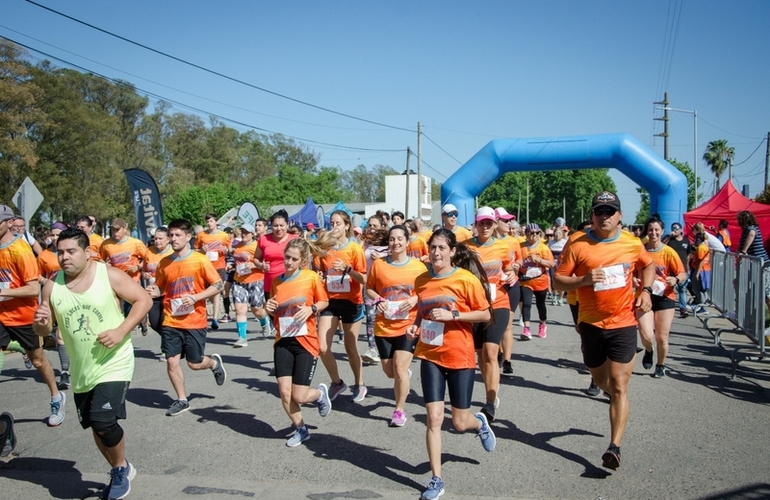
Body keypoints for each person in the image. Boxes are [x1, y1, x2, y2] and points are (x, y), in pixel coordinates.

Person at [33, 227, 152, 499]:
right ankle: (122, 467)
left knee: (103, 419)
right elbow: (44, 330)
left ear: (87, 252)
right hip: (82, 369)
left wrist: (121, 331)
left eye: (71, 251)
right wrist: (40, 323)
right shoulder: (51, 286)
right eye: (60, 252)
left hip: (114, 360)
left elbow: (143, 300)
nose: (64, 257)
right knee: (95, 425)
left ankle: (119, 470)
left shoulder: (108, 274)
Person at [554, 191, 654, 470]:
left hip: (623, 323)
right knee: (601, 381)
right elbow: (558, 282)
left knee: (619, 384)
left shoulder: (632, 243)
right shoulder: (578, 243)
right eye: (599, 211)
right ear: (592, 215)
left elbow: (648, 264)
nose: (604, 216)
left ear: (620, 215)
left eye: (610, 211)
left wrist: (646, 290)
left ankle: (614, 447)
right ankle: (615, 398)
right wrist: (583, 280)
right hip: (591, 324)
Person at [405, 229, 495, 500]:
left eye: (442, 248)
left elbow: (485, 314)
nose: (436, 253)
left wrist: (454, 315)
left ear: (452, 251)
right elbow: (422, 311)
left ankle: (479, 423)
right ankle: (436, 480)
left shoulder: (466, 279)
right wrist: (415, 327)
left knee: (459, 422)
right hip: (430, 355)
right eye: (433, 247)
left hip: (460, 356)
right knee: (434, 418)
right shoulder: (421, 279)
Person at [147, 219, 227, 417]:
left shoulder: (200, 260)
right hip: (171, 320)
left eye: (177, 235)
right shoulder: (164, 263)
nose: (173, 239)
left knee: (194, 363)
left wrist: (196, 297)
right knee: (171, 361)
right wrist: (154, 291)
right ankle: (182, 400)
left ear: (188, 236)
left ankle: (213, 363)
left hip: (194, 320)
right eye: (171, 235)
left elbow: (217, 285)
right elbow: (161, 287)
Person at [0, 205, 65, 427]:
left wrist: (2, 292)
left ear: (8, 223)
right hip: (1, 315)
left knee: (37, 359)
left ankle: (56, 396)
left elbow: (31, 289)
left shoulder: (20, 250)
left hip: (23, 316)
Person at [265, 238, 331, 447]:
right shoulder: (276, 282)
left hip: (306, 341)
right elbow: (274, 309)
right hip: (283, 340)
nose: (289, 262)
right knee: (285, 392)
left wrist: (311, 309)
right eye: (287, 257)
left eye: (294, 259)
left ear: (302, 260)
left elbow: (324, 301)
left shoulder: (311, 277)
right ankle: (301, 429)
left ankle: (319, 394)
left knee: (300, 396)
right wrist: (269, 308)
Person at [366, 225, 426, 426]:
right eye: (392, 239)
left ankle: (399, 410)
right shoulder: (379, 265)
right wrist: (378, 300)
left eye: (400, 238)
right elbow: (370, 288)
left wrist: (415, 298)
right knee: (390, 372)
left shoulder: (418, 267)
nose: (396, 242)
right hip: (384, 326)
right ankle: (403, 376)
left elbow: (427, 290)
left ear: (407, 242)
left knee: (399, 368)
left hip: (408, 325)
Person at [466, 207, 515, 421]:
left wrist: (511, 274)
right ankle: (490, 388)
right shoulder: (465, 247)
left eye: (489, 223)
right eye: (481, 223)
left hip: (498, 302)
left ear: (495, 224)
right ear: (475, 225)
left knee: (491, 351)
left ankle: (489, 402)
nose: (485, 227)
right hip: (475, 306)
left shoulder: (503, 246)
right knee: (480, 354)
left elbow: (509, 269)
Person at [314, 210, 368, 402]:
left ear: (347, 226)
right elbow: (319, 271)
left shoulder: (354, 249)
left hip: (352, 302)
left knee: (350, 346)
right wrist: (320, 276)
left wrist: (347, 269)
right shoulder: (324, 249)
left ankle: (359, 384)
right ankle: (337, 383)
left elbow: (364, 279)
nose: (334, 227)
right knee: (322, 347)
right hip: (330, 301)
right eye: (332, 223)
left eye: (338, 223)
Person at [636, 216, 686, 378]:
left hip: (665, 297)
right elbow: (631, 271)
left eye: (657, 230)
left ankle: (660, 365)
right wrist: (633, 279)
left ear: (662, 231)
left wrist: (675, 279)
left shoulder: (668, 252)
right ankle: (649, 350)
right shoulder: (640, 251)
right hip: (644, 295)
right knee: (646, 335)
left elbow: (683, 273)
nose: (653, 233)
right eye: (650, 230)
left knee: (662, 337)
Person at [36, 223, 72, 388]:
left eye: (58, 234)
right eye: (53, 235)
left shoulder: (73, 251)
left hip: (75, 294)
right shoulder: (44, 255)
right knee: (60, 334)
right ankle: (65, 372)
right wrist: (46, 282)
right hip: (55, 296)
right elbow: (36, 274)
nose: (55, 237)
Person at [254, 210, 298, 336]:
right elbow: (256, 258)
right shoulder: (264, 240)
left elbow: (304, 260)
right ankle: (282, 339)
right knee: (276, 317)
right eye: (275, 226)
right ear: (270, 226)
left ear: (287, 225)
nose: (279, 228)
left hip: (291, 283)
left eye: (281, 225)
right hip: (271, 285)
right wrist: (261, 265)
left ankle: (292, 341)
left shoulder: (295, 240)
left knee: (291, 316)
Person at [493, 207, 522, 377]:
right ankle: (497, 353)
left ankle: (507, 361)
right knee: (495, 324)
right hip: (494, 288)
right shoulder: (487, 242)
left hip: (511, 285)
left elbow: (519, 259)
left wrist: (517, 266)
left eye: (510, 220)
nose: (509, 223)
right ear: (496, 222)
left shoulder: (513, 241)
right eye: (505, 220)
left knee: (508, 325)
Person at [193, 213, 231, 331]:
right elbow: (194, 250)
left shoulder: (224, 235)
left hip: (219, 267)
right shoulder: (201, 235)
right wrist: (201, 250)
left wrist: (226, 250)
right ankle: (203, 316)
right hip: (205, 267)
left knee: (216, 291)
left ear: (216, 222)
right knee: (205, 292)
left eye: (211, 221)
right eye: (207, 222)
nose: (209, 224)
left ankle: (215, 318)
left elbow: (229, 249)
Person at [230, 223, 266, 347]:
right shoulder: (238, 245)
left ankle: (264, 321)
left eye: (246, 232)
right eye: (242, 232)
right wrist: (232, 266)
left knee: (257, 309)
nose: (244, 234)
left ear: (252, 234)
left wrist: (254, 265)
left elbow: (265, 263)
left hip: (256, 280)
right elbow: (238, 261)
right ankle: (242, 338)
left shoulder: (258, 246)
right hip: (239, 280)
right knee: (240, 309)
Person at [519, 223, 555, 340]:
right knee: (526, 304)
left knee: (540, 304)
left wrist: (539, 260)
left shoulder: (544, 248)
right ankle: (526, 329)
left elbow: (551, 264)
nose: (535, 235)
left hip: (540, 281)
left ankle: (542, 324)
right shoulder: (521, 247)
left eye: (537, 233)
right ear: (526, 234)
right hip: (526, 281)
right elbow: (515, 260)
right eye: (532, 233)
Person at [361, 214, 389, 364]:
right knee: (371, 319)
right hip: (369, 286)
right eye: (370, 225)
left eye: (375, 226)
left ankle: (389, 348)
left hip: (386, 286)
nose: (371, 228)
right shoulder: (365, 243)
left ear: (382, 227)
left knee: (386, 317)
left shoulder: (390, 243)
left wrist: (381, 259)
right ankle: (373, 349)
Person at [142, 227, 173, 356]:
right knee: (154, 323)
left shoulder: (172, 253)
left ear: (168, 239)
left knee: (165, 322)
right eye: (155, 238)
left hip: (168, 293)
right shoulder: (149, 252)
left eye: (160, 238)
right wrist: (145, 274)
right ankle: (172, 340)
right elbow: (144, 269)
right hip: (153, 292)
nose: (157, 241)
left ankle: (167, 349)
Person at [737, 210, 770, 314]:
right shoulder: (745, 231)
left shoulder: (751, 228)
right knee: (760, 292)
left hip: (763, 264)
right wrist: (739, 251)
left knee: (766, 294)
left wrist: (743, 251)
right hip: (757, 264)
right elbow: (741, 244)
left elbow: (752, 234)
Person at [665, 222, 692, 318]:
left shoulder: (686, 241)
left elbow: (688, 254)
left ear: (681, 230)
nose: (675, 230)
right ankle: (668, 306)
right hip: (671, 269)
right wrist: (669, 236)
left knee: (682, 289)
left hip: (682, 269)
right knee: (669, 288)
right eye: (673, 228)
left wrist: (687, 266)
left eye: (676, 228)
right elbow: (662, 245)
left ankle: (683, 309)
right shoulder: (670, 240)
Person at [690, 226, 710, 314]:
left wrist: (697, 272)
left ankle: (702, 307)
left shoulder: (701, 248)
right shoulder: (703, 247)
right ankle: (702, 305)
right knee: (702, 289)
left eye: (696, 239)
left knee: (698, 289)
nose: (695, 240)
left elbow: (701, 261)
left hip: (701, 270)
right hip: (704, 269)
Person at [547, 228, 568, 305]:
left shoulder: (565, 242)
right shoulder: (550, 243)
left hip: (562, 264)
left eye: (559, 233)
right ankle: (554, 295)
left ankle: (560, 298)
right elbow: (548, 254)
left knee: (561, 280)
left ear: (562, 235)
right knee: (553, 280)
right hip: (553, 264)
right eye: (556, 233)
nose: (557, 235)